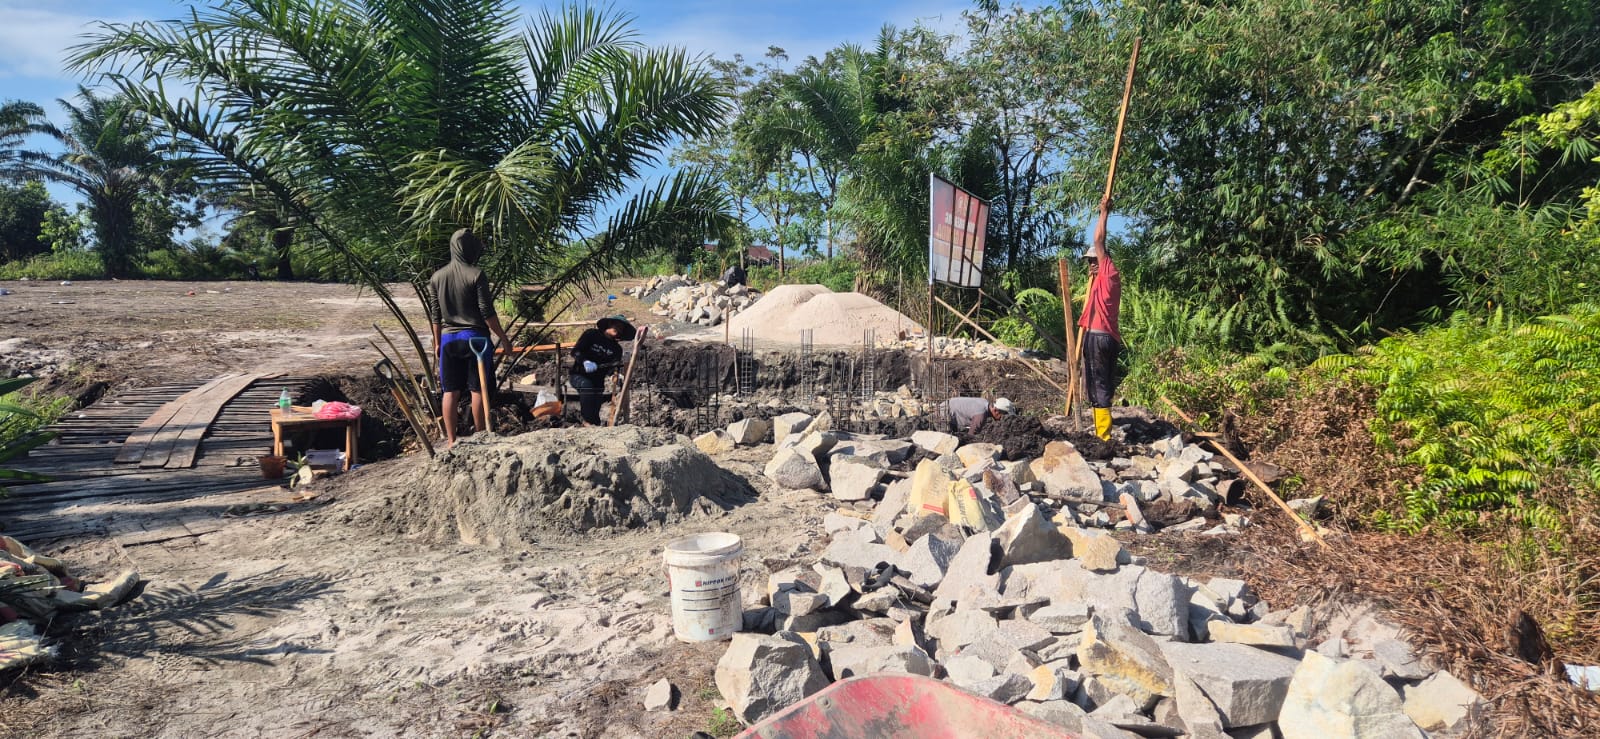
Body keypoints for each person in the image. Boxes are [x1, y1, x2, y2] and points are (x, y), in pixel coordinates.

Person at [429, 228, 511, 447]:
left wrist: (437, 342)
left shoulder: (436, 278)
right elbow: (487, 312)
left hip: (448, 341)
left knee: (450, 390)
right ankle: (480, 434)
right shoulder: (476, 274)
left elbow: (435, 315)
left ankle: (451, 440)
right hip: (476, 338)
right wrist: (503, 338)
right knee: (478, 389)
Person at [1079, 200, 1122, 441]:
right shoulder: (1106, 279)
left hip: (1098, 337)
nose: (1092, 265)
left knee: (1097, 386)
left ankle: (1103, 436)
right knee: (1102, 383)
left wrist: (1103, 213)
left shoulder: (1109, 270)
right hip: (1109, 337)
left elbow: (1098, 240)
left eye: (1094, 261)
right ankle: (1102, 430)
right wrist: (1094, 276)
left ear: (1104, 260)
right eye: (1089, 262)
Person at [570, 317, 635, 426]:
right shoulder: (591, 335)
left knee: (596, 404)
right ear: (609, 323)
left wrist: (615, 375)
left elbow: (612, 367)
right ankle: (587, 422)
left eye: (621, 328)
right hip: (579, 374)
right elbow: (575, 351)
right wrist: (585, 361)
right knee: (587, 387)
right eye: (616, 325)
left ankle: (594, 425)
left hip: (598, 380)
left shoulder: (616, 349)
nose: (618, 329)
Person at [942, 396, 1015, 435]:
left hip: (948, 410)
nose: (1002, 418)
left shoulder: (984, 402)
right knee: (947, 444)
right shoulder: (981, 414)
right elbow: (971, 435)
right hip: (943, 415)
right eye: (1003, 415)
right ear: (996, 410)